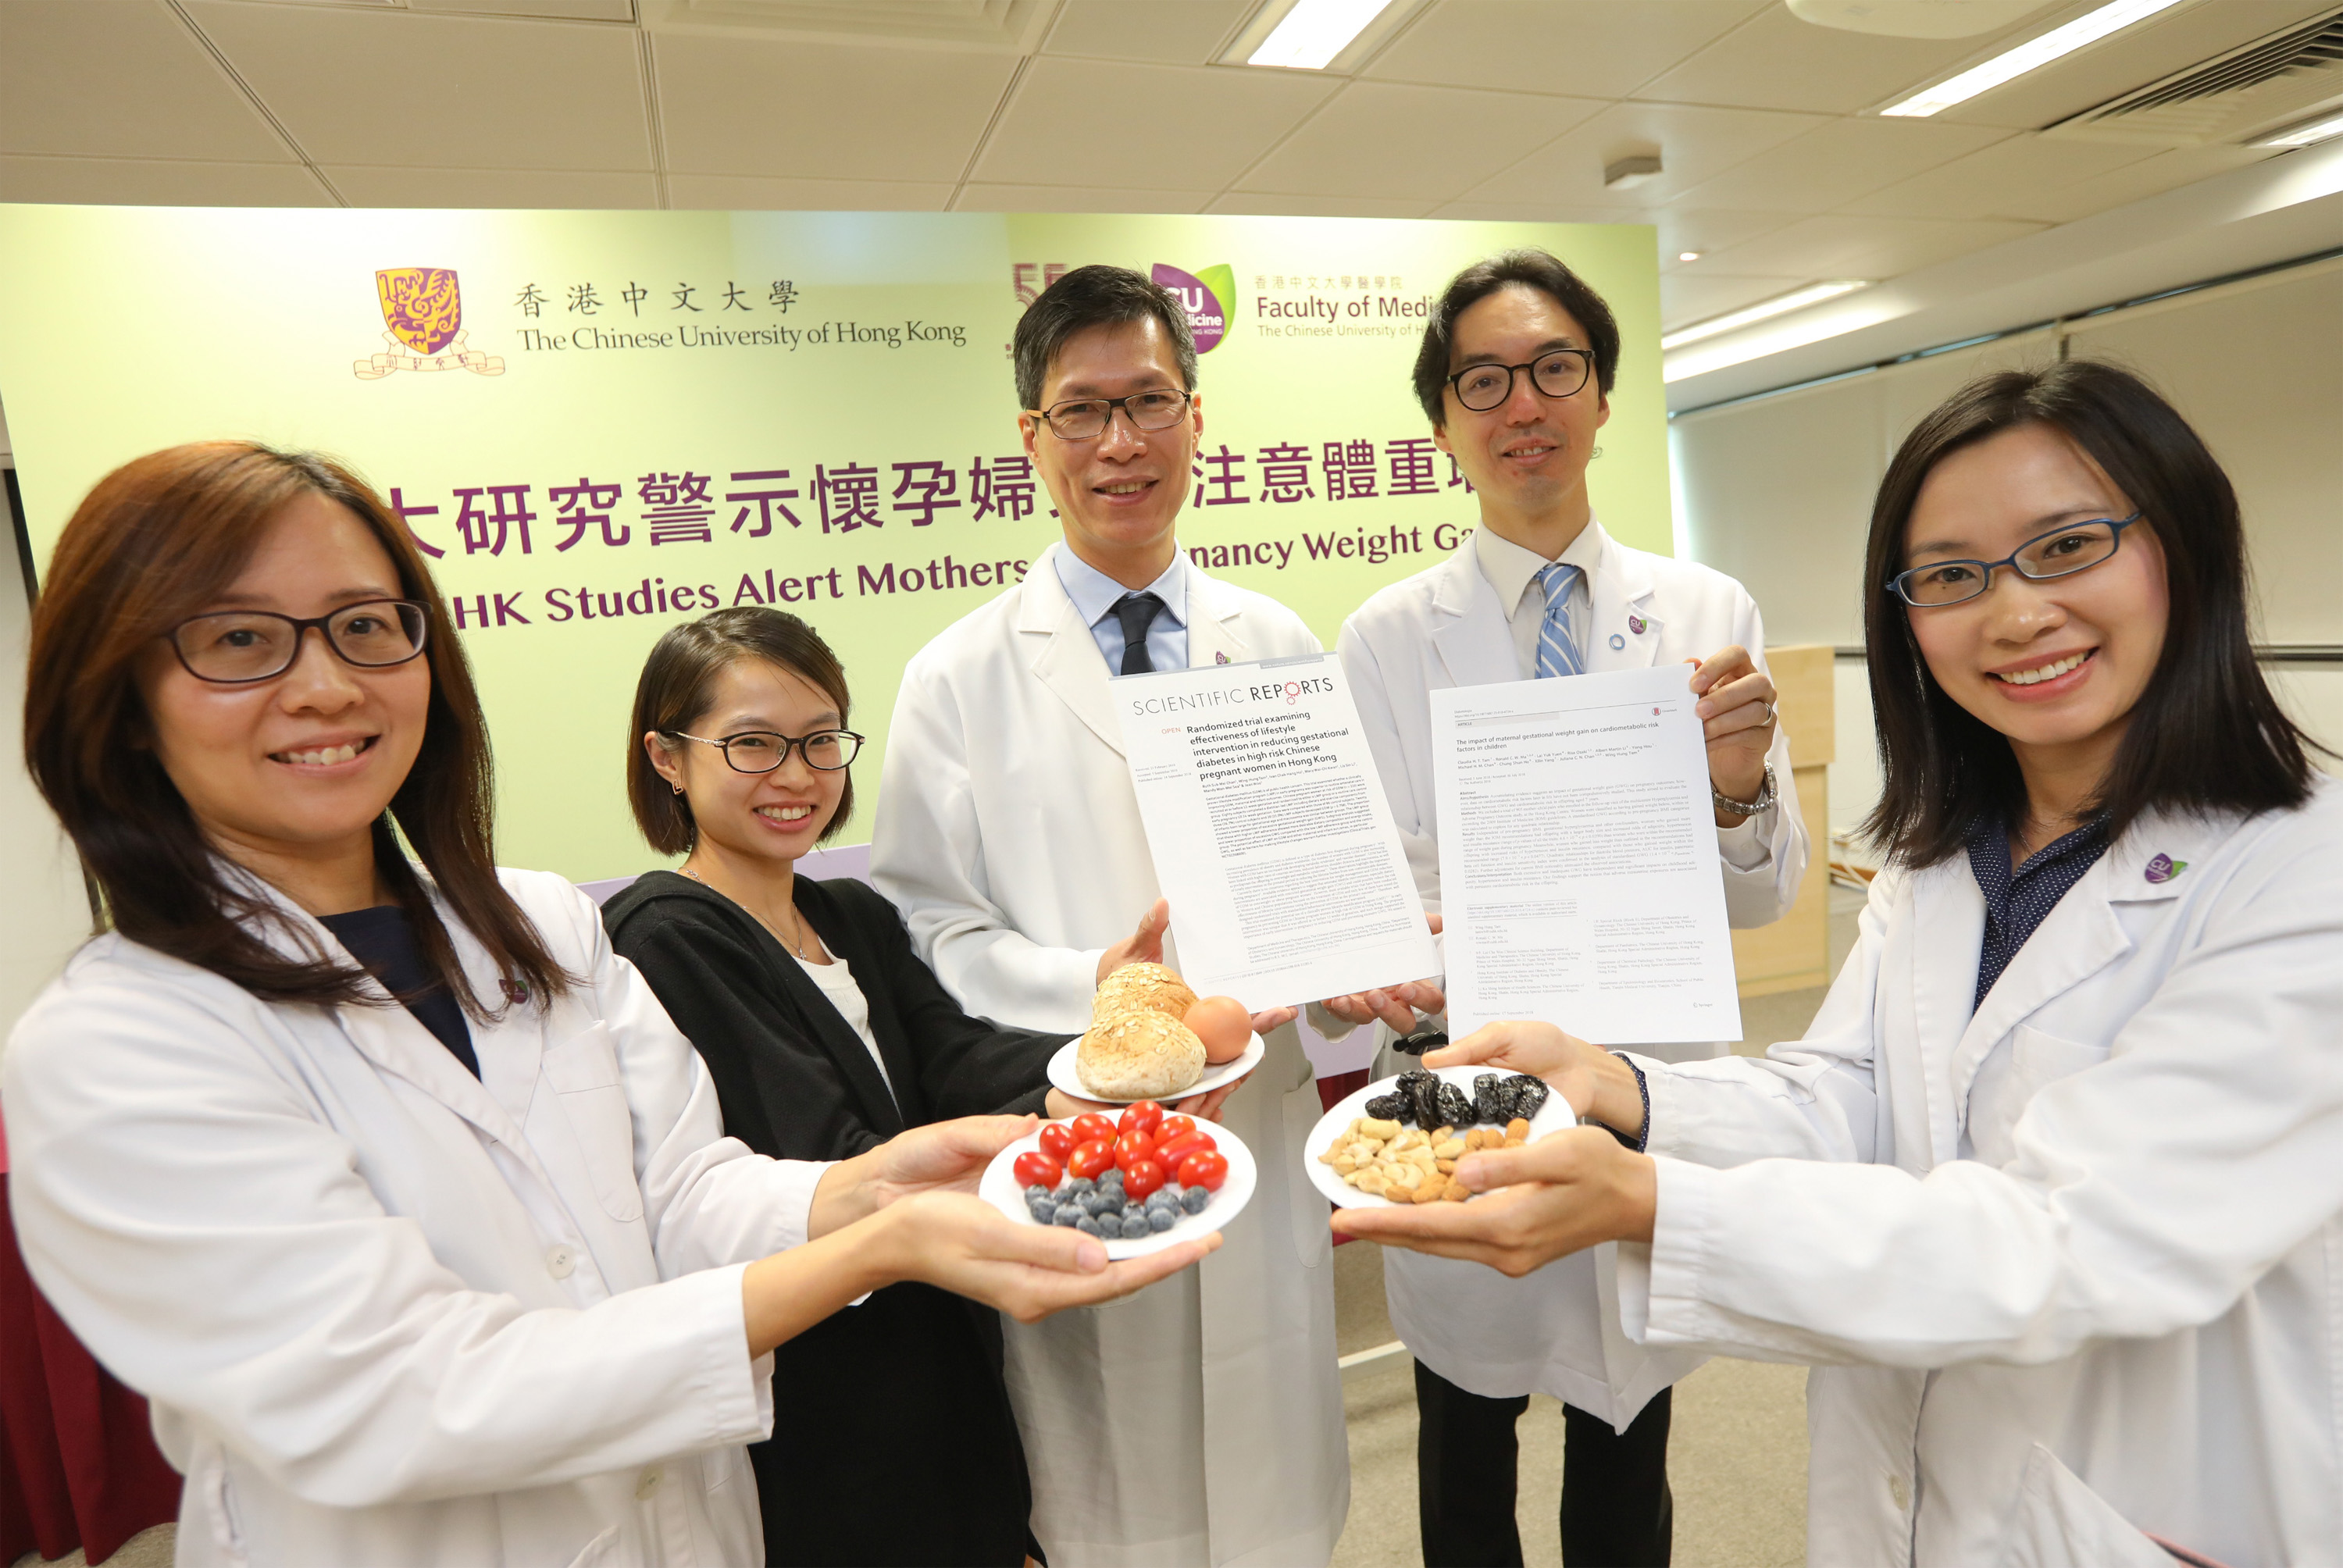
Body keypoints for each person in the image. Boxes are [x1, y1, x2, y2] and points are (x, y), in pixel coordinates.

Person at [2, 442, 1213, 1568]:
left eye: (368, 627)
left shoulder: (539, 929)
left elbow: (680, 1192)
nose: (324, 685)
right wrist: (882, 1238)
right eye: (240, 641)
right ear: (119, 693)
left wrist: (877, 1184)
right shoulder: (120, 1046)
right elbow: (403, 1395)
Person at [1341, 361, 2341, 1567]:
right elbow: (1850, 1093)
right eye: (1953, 576)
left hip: (2148, 1504)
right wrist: (1618, 1084)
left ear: (2183, 545)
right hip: (1904, 1490)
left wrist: (1658, 1200)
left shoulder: (2299, 873)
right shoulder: (1943, 858)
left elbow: (2068, 1238)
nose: (2015, 613)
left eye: (2068, 546)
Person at [872, 265, 1414, 1567]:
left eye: (1149, 400)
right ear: (1033, 441)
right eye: (1083, 410)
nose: (1121, 440)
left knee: (1279, 1495)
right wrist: (1105, 993)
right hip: (1090, 1147)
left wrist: (1354, 978)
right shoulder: (957, 677)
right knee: (1116, 1501)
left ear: (1195, 418)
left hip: (1262, 1125)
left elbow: (1324, 891)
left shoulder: (1276, 640)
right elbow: (931, 941)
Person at [1336, 248, 1808, 1566]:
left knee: (1627, 1449)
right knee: (1463, 1452)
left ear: (1601, 399)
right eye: (1483, 379)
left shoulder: (1706, 610)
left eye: (1555, 368)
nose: (1522, 402)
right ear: (1444, 426)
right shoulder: (1381, 636)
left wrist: (1729, 791)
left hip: (1645, 1076)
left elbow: (1765, 898)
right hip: (1459, 1090)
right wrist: (1397, 953)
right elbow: (1381, 888)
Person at [604, 605, 1082, 1566]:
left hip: (943, 1344)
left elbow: (958, 1060)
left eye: (822, 740)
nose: (798, 775)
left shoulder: (851, 912)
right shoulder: (666, 932)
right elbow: (825, 1152)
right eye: (753, 744)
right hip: (827, 1385)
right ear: (667, 757)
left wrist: (1092, 1079)